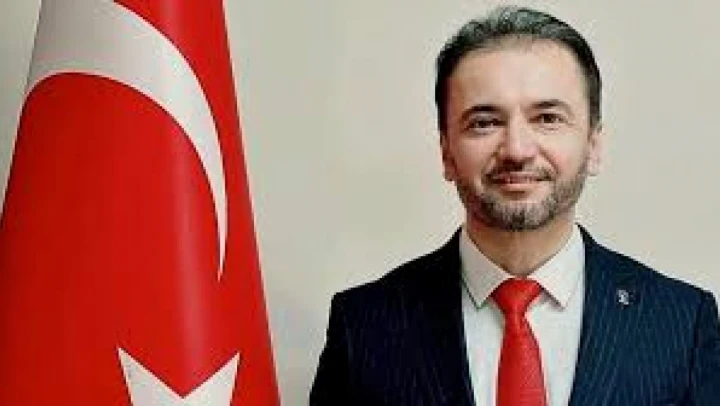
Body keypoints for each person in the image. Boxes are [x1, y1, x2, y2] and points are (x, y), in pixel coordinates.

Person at [310, 6, 720, 406]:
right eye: (484, 123)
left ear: (593, 144)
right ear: (447, 153)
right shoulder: (362, 325)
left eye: (547, 118)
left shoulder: (683, 322)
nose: (517, 150)